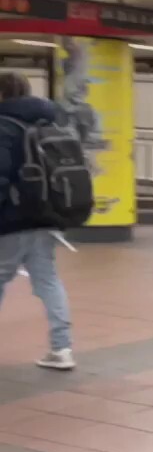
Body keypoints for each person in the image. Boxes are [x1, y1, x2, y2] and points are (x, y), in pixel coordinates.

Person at [0, 72, 76, 370]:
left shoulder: (4, 126)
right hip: (47, 215)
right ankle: (62, 348)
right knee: (48, 280)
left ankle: (61, 349)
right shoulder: (49, 122)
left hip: (12, 219)